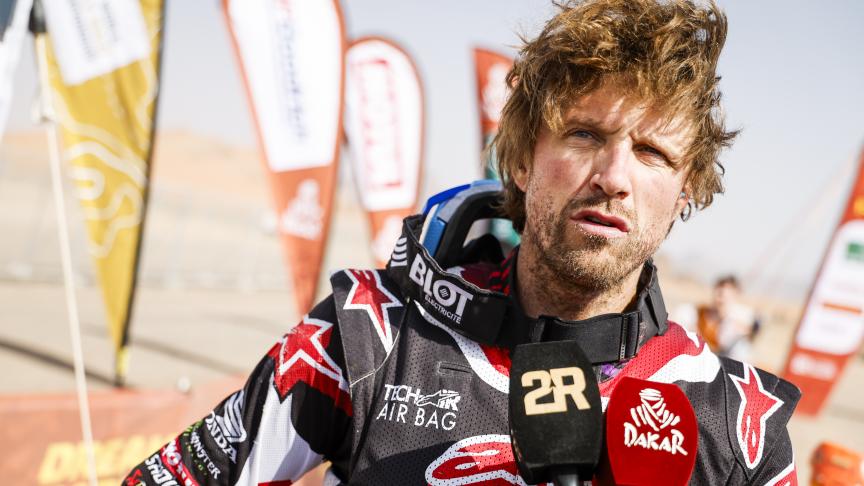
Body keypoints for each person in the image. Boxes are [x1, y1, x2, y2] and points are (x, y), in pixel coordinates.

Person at [125, 1, 800, 484]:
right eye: (585, 134)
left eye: (652, 153)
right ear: (522, 159)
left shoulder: (740, 422)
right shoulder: (367, 334)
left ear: (685, 192)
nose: (614, 177)